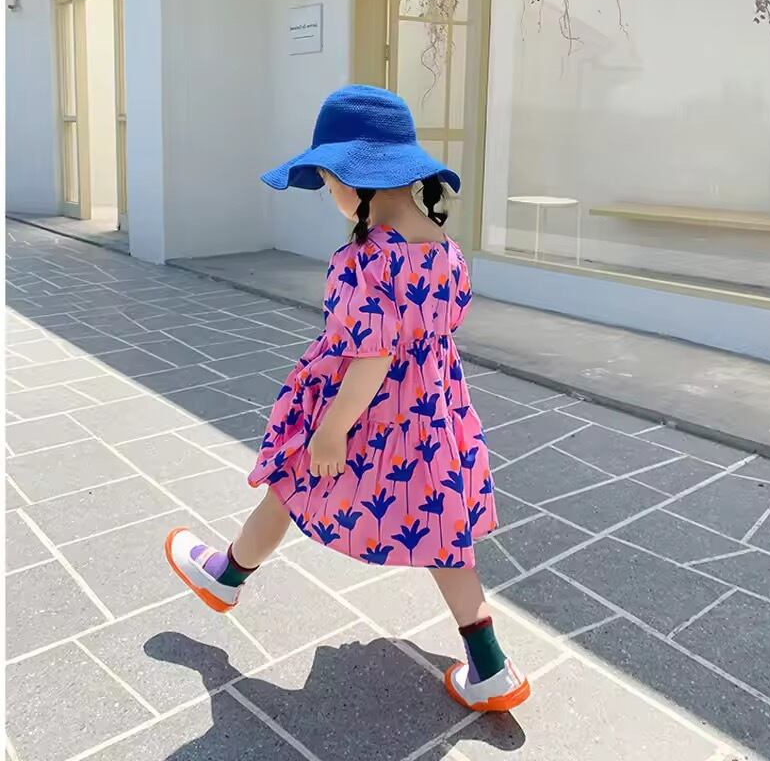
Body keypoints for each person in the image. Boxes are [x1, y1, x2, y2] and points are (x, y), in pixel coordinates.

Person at [164, 85, 530, 712]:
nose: (328, 194)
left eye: (329, 182)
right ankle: (490, 663)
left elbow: (373, 355)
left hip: (365, 413)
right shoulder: (445, 252)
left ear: (360, 183)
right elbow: (435, 330)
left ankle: (226, 575)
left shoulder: (366, 260)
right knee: (443, 527)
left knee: (293, 479)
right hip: (432, 412)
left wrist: (332, 429)